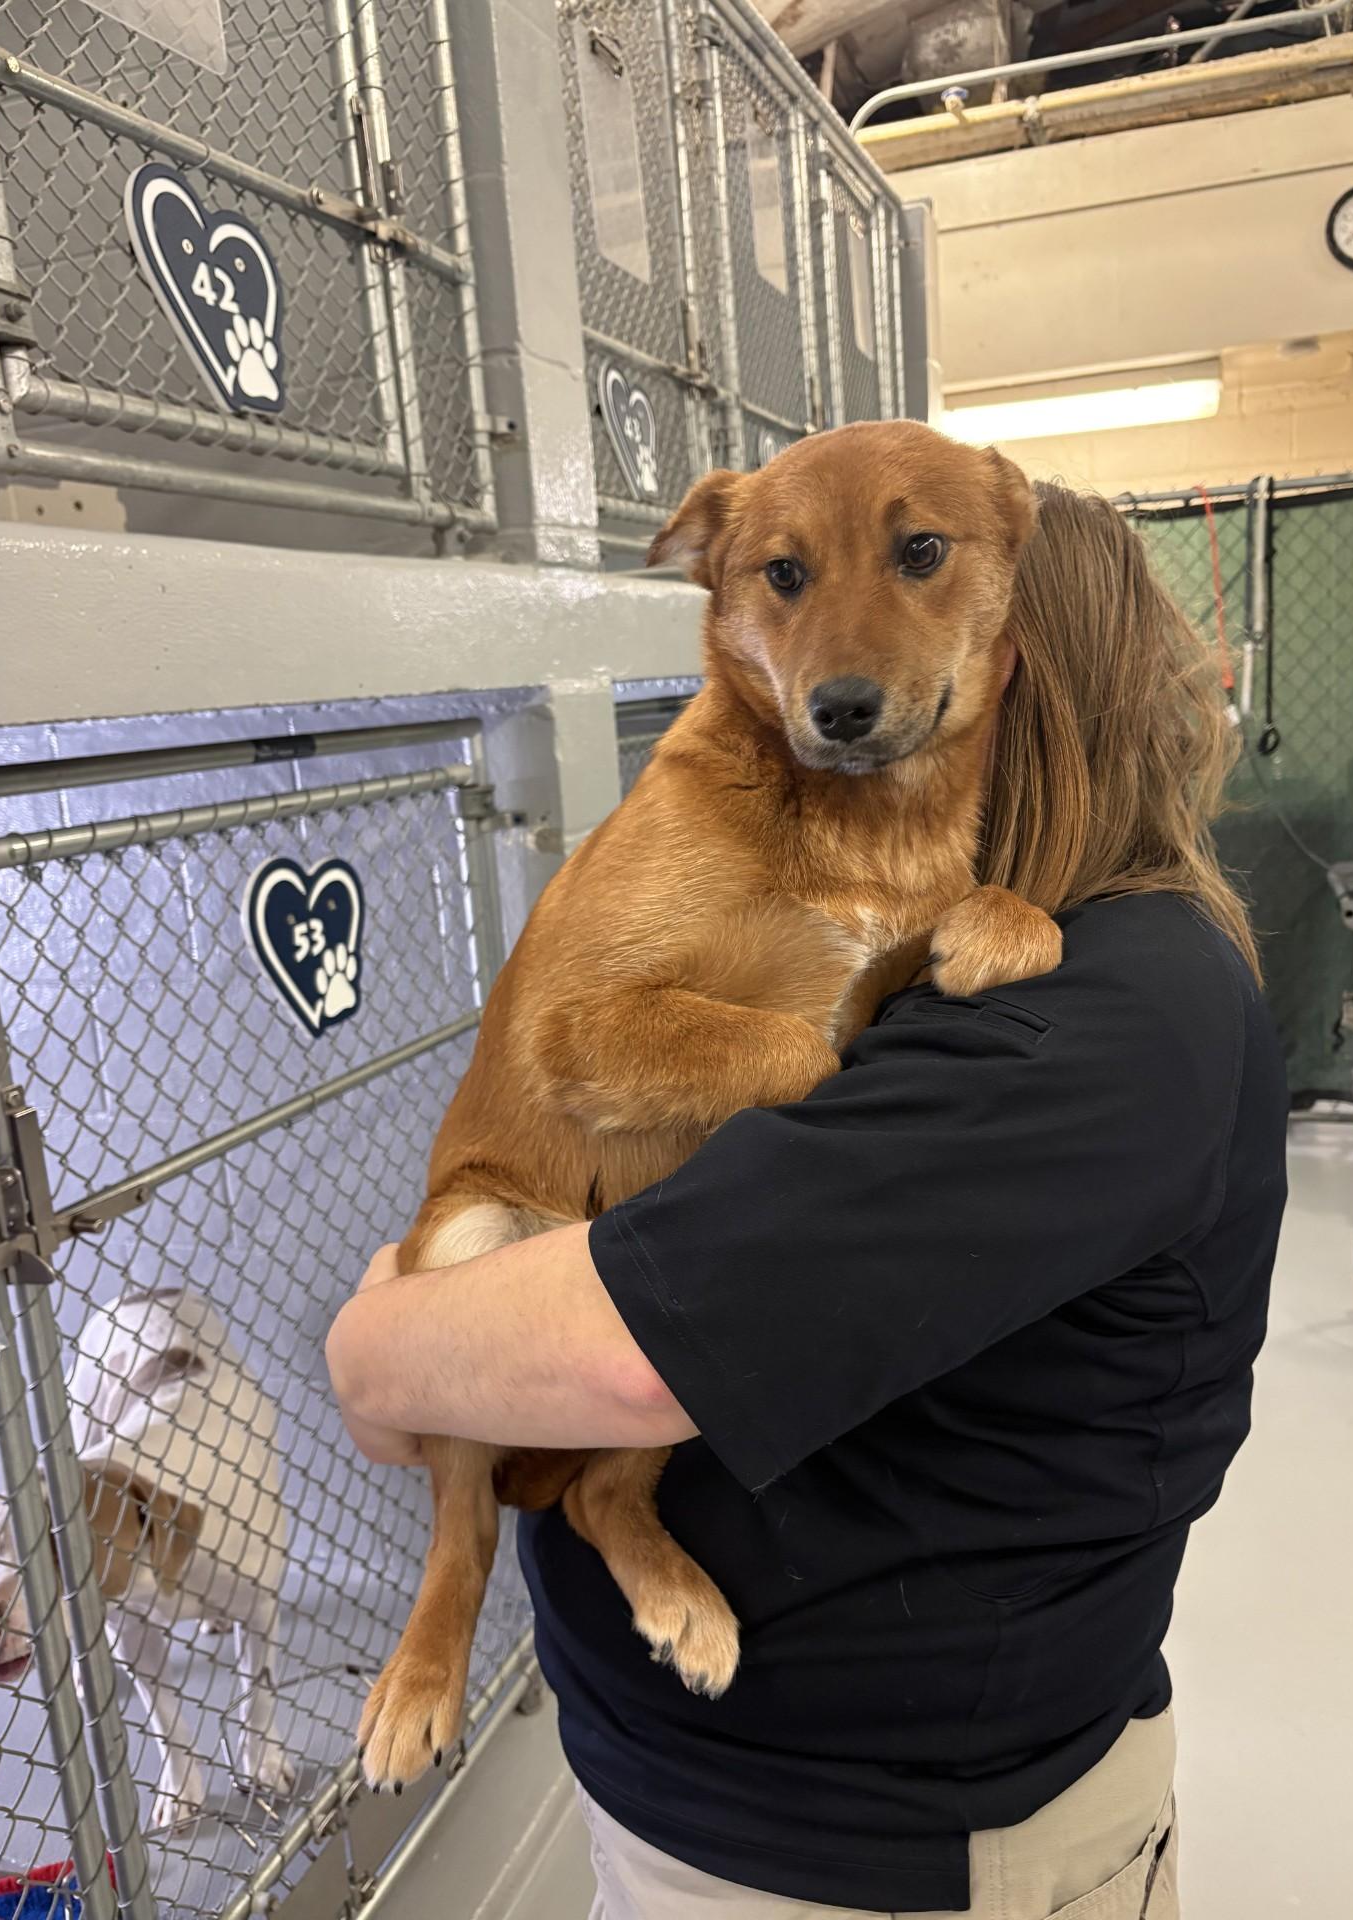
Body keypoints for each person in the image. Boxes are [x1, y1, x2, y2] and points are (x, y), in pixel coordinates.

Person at [327, 483, 1288, 1919]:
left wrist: (381, 1331)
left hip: (859, 1855)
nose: (855, 663)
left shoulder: (1091, 1014)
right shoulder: (1047, 942)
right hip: (734, 1804)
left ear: (1042, 669)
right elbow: (617, 1083)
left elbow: (608, 1351)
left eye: (926, 576)